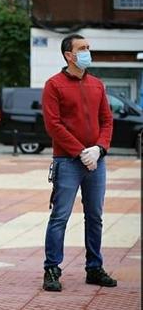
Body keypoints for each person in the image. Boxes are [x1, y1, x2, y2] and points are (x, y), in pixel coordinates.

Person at [41, 34, 117, 292]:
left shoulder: (97, 85)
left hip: (96, 161)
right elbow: (53, 125)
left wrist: (99, 149)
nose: (87, 52)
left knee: (94, 216)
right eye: (82, 48)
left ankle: (94, 267)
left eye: (88, 47)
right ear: (68, 55)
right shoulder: (54, 85)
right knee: (60, 216)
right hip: (67, 162)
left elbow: (107, 120)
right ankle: (52, 269)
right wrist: (80, 152)